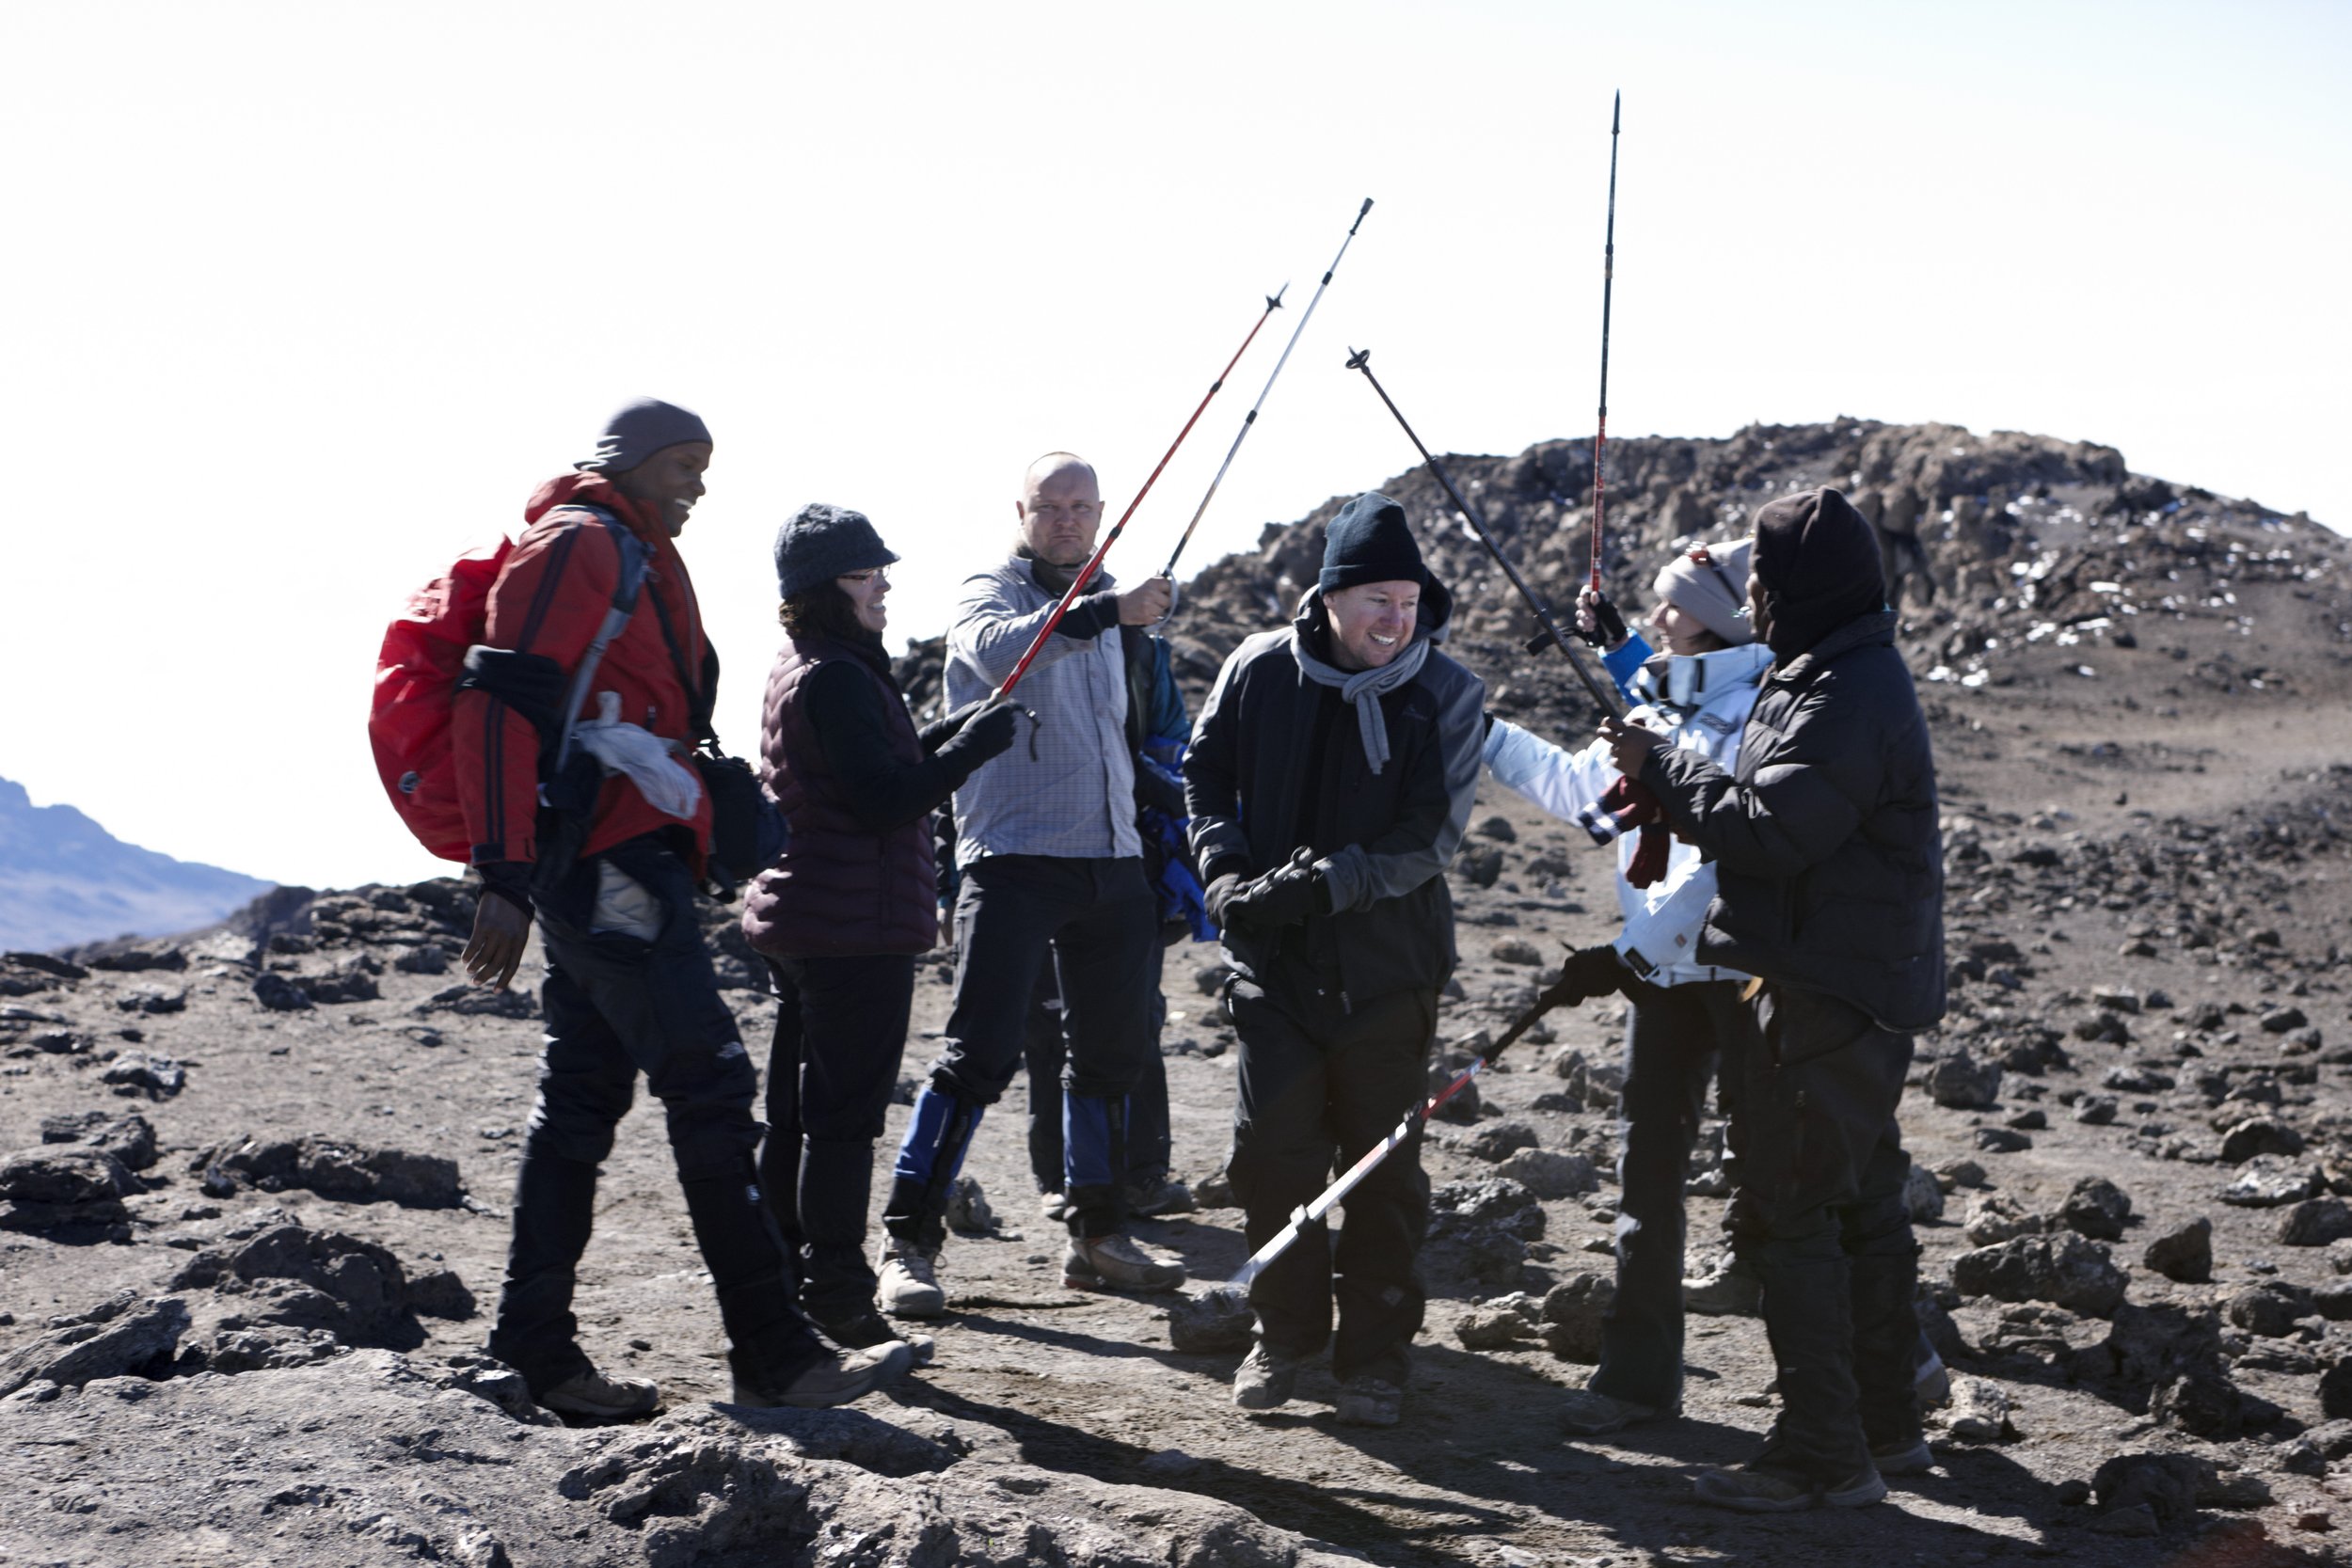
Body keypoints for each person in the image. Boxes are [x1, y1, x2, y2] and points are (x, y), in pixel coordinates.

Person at [455, 399, 912, 1417]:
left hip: (622, 856)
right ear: (627, 460)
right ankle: (777, 1353)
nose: (697, 483)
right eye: (680, 463)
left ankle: (534, 1348)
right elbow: (498, 698)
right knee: (706, 1081)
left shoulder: (634, 550)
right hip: (603, 860)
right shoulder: (579, 545)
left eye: (704, 466)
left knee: (579, 1096)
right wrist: (502, 872)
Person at [1600, 486, 1945, 1513]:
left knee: (1792, 1215)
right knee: (1861, 1208)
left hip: (1822, 994)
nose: (1750, 594)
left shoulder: (1844, 693)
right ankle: (1885, 1425)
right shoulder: (1836, 673)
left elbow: (1770, 826)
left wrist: (1658, 764)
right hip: (1848, 985)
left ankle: (1822, 1456)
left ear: (1799, 584)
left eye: (1761, 579)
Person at [1185, 492, 1484, 1428]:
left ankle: (1376, 1359)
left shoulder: (1448, 692)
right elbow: (1205, 773)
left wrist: (1326, 883)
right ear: (1328, 598)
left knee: (1381, 1171)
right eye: (1376, 602)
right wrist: (1225, 866)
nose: (1395, 622)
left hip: (1388, 972)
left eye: (1408, 602)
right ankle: (1286, 1337)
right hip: (1272, 969)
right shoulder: (1257, 669)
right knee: (1270, 1159)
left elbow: (1428, 838)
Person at [877, 451, 1186, 1316]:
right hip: (1012, 856)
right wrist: (1103, 612)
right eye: (1049, 506)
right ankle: (907, 1241)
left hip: (1114, 860)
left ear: (1100, 513)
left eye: (1081, 507)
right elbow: (997, 651)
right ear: (1021, 511)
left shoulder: (1121, 615)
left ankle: (1096, 1236)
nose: (1066, 521)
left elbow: (1136, 737)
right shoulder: (991, 592)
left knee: (1112, 1053)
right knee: (978, 1053)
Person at [1480, 539, 1774, 1438]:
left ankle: (1890, 1377)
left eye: (1670, 608)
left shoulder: (1765, 707)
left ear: (1716, 622)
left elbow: (1727, 856)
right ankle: (1637, 1379)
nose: (1654, 619)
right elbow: (1588, 791)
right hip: (1665, 972)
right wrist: (1480, 730)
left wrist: (1631, 952)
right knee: (1646, 1176)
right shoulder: (1668, 689)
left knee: (1792, 1178)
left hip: (1747, 973)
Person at [739, 504, 1017, 1358]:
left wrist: (951, 735)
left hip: (809, 920)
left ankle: (783, 1280)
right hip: (851, 928)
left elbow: (872, 766)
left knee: (795, 1116)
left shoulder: (812, 666)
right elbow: (885, 799)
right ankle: (840, 1297)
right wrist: (979, 749)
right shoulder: (838, 676)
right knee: (842, 1123)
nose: (885, 586)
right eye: (867, 575)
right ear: (827, 590)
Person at [1026, 621, 1209, 1223]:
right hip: (1036, 855)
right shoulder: (1009, 632)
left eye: (1081, 514)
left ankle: (1141, 1175)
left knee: (1135, 1017)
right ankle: (1065, 1178)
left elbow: (1171, 740)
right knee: (1051, 1021)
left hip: (1128, 860)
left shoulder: (1141, 648)